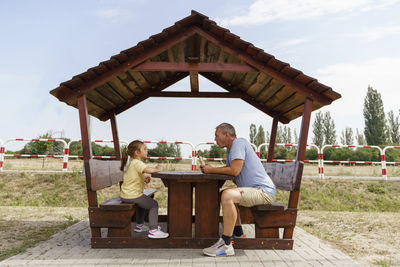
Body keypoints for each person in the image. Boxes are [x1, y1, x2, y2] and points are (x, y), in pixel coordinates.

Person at [201, 123, 276, 256]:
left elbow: (234, 170)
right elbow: (231, 170)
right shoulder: (231, 149)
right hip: (256, 190)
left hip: (263, 192)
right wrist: (211, 169)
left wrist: (211, 169)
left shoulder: (238, 143)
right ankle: (237, 233)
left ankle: (226, 245)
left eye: (217, 135)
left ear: (227, 135)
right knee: (224, 194)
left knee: (227, 195)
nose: (215, 139)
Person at [120, 140, 169, 239]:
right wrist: (157, 169)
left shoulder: (132, 163)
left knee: (142, 203)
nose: (147, 150)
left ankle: (139, 226)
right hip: (133, 195)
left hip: (126, 195)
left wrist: (144, 179)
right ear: (137, 152)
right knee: (153, 205)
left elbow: (135, 176)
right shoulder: (137, 162)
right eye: (145, 149)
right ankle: (153, 231)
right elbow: (148, 170)